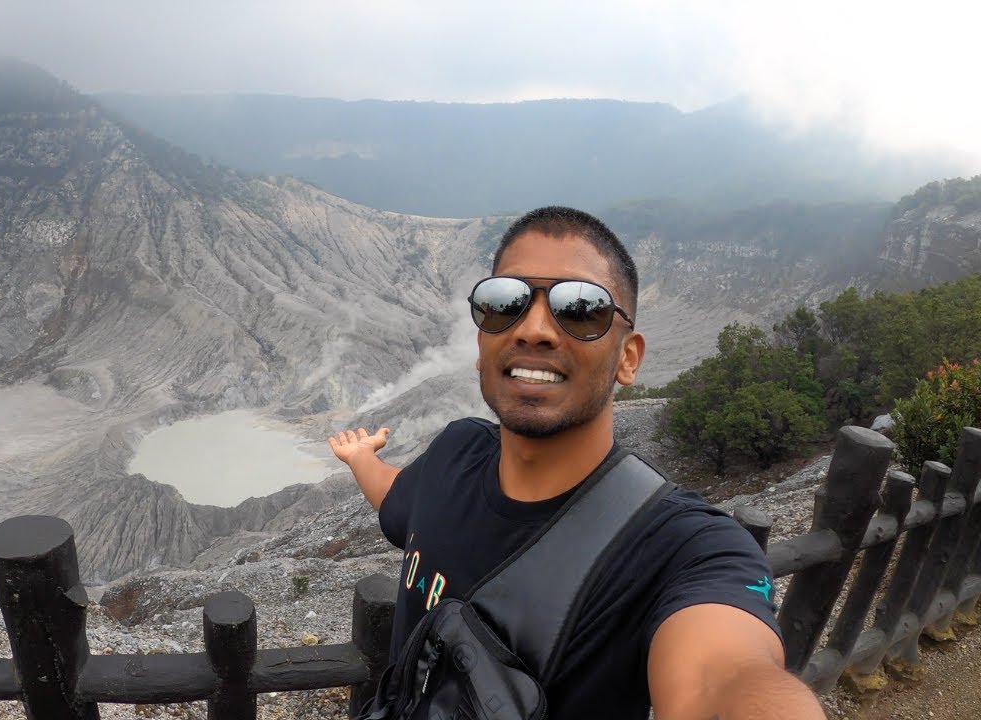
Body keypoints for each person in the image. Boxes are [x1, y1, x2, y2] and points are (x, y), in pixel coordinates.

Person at [329, 206, 824, 719]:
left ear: (628, 358)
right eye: (506, 302)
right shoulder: (453, 454)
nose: (535, 329)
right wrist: (361, 458)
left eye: (581, 309)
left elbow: (721, 680)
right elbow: (400, 499)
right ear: (481, 343)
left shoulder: (683, 549)